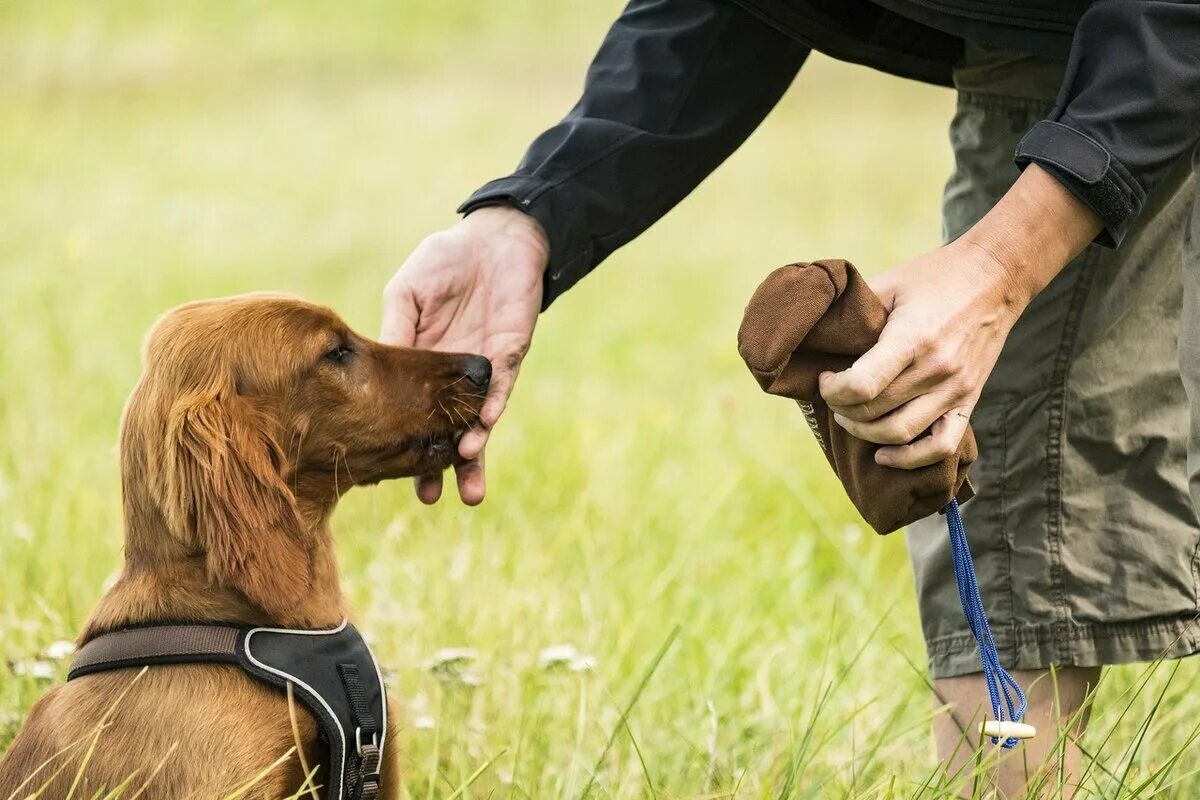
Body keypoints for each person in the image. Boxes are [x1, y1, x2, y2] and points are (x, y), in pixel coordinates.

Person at [381, 1, 1200, 795]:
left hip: (1140, 43)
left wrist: (1001, 266)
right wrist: (532, 214)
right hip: (1065, 45)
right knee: (1010, 493)